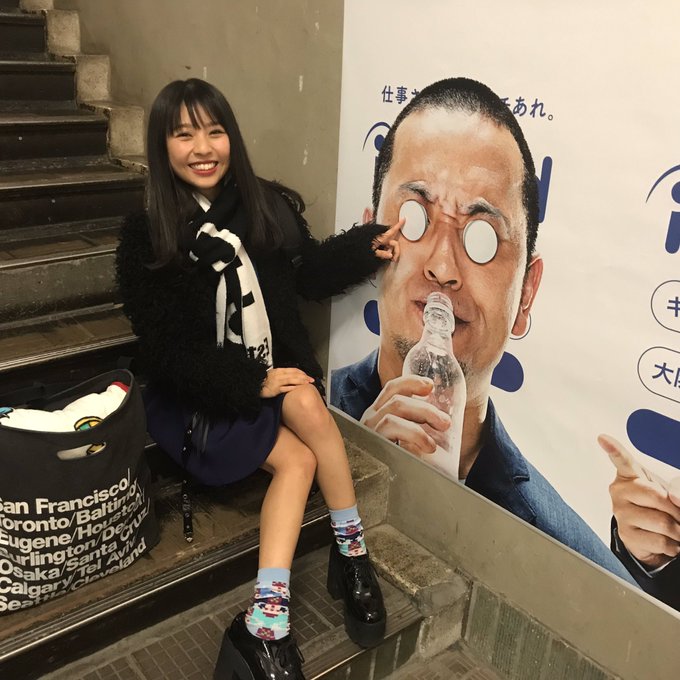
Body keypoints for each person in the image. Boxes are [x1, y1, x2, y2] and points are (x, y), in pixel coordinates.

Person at [116, 79, 402, 680]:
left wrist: (366, 245)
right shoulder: (148, 232)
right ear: (163, 145)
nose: (203, 147)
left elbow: (309, 273)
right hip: (196, 393)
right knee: (299, 457)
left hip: (263, 371)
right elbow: (168, 353)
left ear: (232, 138)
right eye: (184, 134)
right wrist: (252, 382)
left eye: (214, 131)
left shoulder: (262, 204)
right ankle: (278, 616)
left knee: (308, 404)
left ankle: (345, 560)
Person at [330, 77, 638, 585]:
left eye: (482, 237)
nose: (443, 267)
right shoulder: (291, 425)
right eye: (415, 218)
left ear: (526, 295)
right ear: (367, 246)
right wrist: (360, 471)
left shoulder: (568, 566)